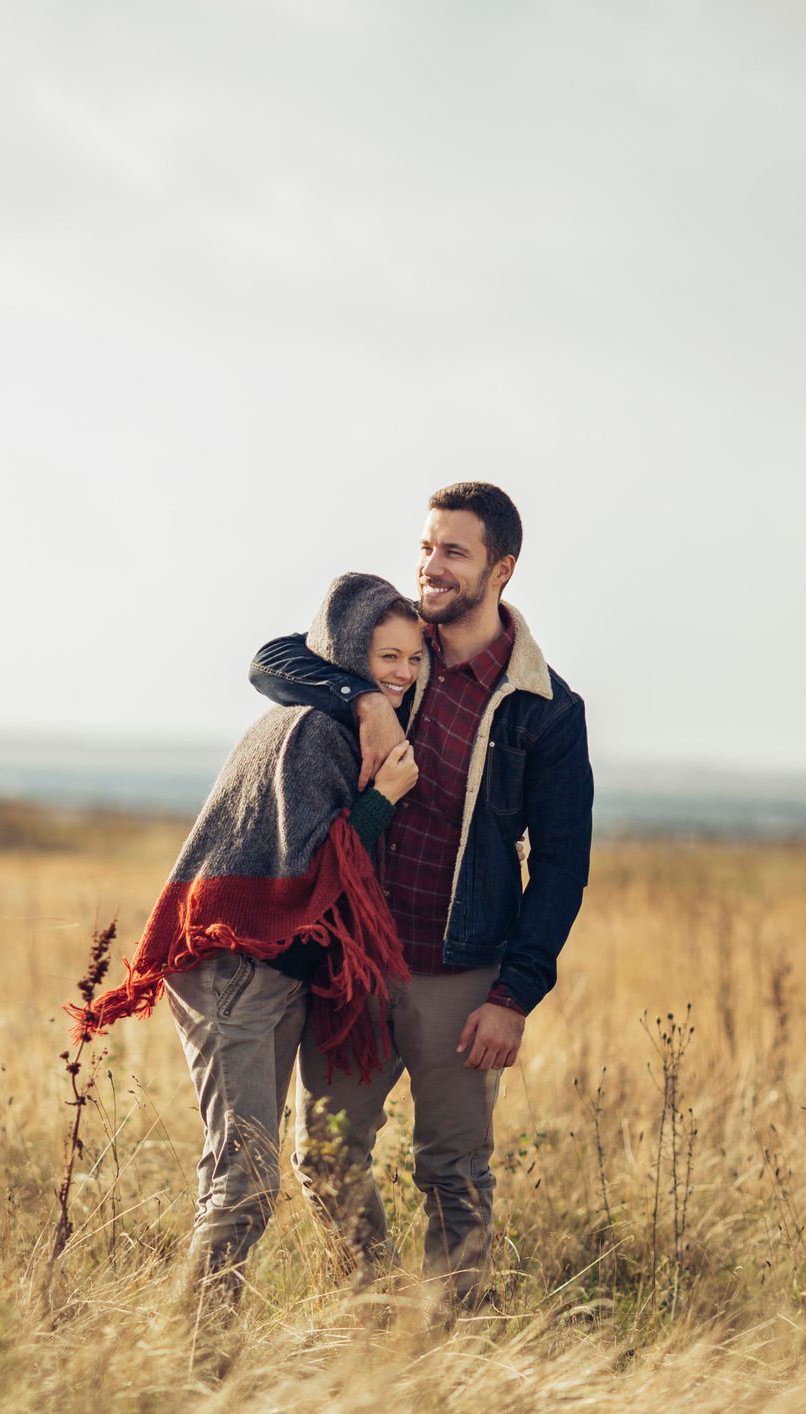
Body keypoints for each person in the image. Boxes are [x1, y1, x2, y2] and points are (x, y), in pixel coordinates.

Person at [248, 482, 593, 1313]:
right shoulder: (391, 651)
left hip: (461, 975)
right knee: (324, 1158)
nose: (429, 567)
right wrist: (365, 699)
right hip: (354, 962)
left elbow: (561, 865)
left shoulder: (545, 708)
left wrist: (514, 994)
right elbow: (271, 659)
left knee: (453, 1175)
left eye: (453, 552)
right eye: (426, 547)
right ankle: (377, 1320)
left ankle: (449, 1354)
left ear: (500, 570)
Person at [71, 571, 425, 1359]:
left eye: (412, 657)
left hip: (267, 965)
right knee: (246, 1176)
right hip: (234, 964)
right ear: (346, 652)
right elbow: (319, 865)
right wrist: (385, 799)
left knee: (243, 1170)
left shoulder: (333, 719)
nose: (401, 673)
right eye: (385, 654)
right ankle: (191, 1364)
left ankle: (371, 1343)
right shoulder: (312, 732)